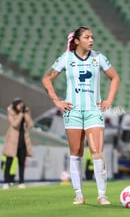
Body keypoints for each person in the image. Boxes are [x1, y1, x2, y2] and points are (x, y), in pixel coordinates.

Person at [42, 26, 120, 205]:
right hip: (73, 112)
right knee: (76, 152)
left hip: (94, 111)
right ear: (77, 41)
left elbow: (115, 78)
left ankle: (102, 195)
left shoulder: (98, 57)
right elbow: (46, 79)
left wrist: (108, 101)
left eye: (92, 37)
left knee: (97, 152)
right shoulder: (67, 58)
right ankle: (78, 194)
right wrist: (57, 101)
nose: (91, 40)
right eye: (87, 37)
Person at [1, 98, 34, 189]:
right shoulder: (11, 113)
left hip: (22, 142)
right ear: (15, 105)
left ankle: (21, 182)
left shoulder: (24, 113)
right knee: (9, 162)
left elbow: (30, 124)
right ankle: (6, 182)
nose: (21, 106)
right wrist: (21, 114)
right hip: (12, 142)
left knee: (21, 163)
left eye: (22, 104)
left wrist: (26, 114)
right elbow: (15, 124)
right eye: (19, 104)